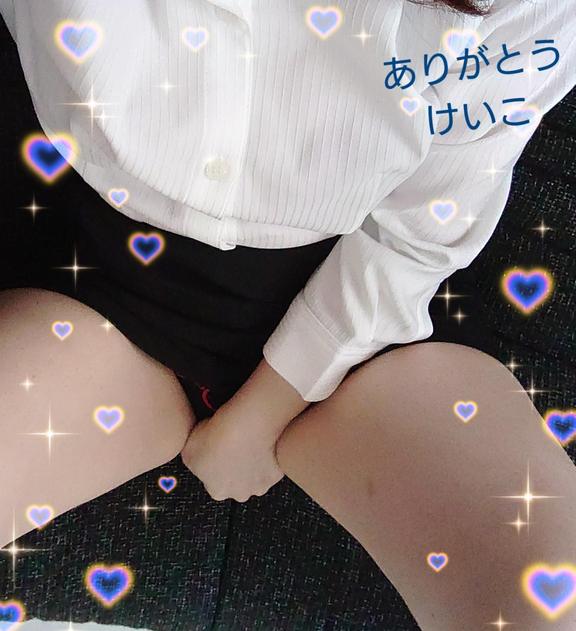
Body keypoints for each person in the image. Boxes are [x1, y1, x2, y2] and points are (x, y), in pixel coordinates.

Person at [1, 0, 575, 628]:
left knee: (548, 605)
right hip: (103, 271)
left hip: (371, 295)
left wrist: (264, 413)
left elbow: (426, 223)